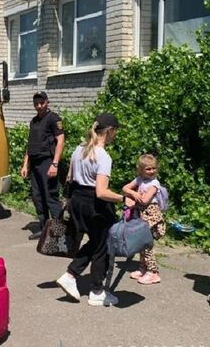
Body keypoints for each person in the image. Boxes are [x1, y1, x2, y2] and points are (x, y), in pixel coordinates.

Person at [55, 113, 132, 306]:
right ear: (110, 131)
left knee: (96, 242)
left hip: (77, 201)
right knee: (102, 247)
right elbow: (101, 192)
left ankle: (71, 275)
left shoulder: (79, 149)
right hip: (94, 205)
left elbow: (69, 178)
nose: (115, 135)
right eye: (116, 131)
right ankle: (96, 291)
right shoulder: (103, 156)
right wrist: (124, 198)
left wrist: (67, 200)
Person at [21, 91, 65, 240]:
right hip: (35, 165)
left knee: (51, 197)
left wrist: (55, 164)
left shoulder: (53, 118)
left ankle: (58, 234)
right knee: (38, 197)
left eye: (41, 103)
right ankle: (44, 229)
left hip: (48, 162)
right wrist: (25, 165)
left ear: (47, 102)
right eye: (36, 104)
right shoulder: (34, 121)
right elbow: (30, 145)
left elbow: (60, 141)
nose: (39, 106)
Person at [122, 153, 167, 285]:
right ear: (141, 170)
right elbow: (125, 188)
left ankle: (153, 273)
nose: (152, 171)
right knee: (141, 243)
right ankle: (143, 269)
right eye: (148, 169)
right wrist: (134, 193)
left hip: (151, 215)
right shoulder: (139, 179)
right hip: (142, 214)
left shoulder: (154, 183)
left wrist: (134, 196)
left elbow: (145, 200)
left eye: (154, 168)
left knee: (147, 244)